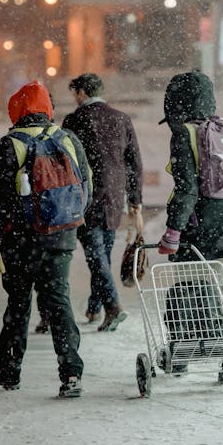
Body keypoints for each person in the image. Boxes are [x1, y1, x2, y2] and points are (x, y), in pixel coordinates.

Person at [0, 80, 92, 398]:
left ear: (16, 110)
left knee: (18, 305)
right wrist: (66, 222)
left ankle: (10, 371)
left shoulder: (11, 143)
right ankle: (71, 374)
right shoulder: (68, 139)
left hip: (20, 240)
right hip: (60, 238)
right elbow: (86, 188)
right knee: (59, 304)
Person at [157, 70, 223, 375]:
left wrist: (172, 232)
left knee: (191, 291)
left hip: (200, 228)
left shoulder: (185, 134)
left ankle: (186, 351)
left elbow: (187, 188)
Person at [62, 73, 143, 331]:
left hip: (85, 198)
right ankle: (95, 307)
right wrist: (135, 200)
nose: (74, 98)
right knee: (102, 254)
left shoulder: (74, 121)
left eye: (75, 93)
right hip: (113, 198)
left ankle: (112, 306)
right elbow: (135, 163)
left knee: (96, 255)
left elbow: (65, 162)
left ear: (83, 93)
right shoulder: (121, 119)